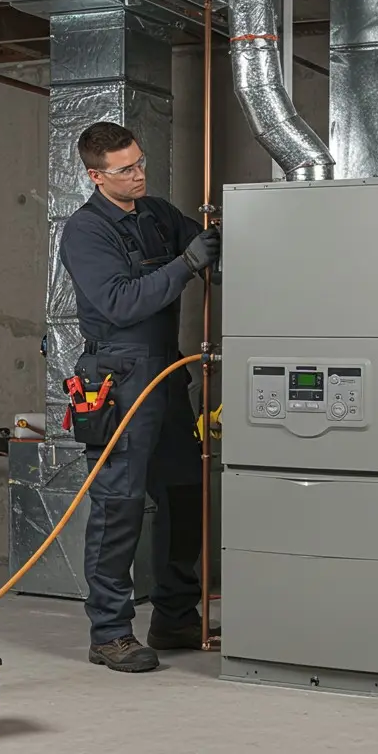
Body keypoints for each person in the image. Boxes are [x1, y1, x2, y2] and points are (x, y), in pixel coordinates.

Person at [58, 121, 221, 673]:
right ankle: (109, 633)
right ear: (96, 176)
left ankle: (175, 616)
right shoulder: (86, 232)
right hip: (119, 378)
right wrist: (189, 263)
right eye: (125, 169)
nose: (138, 175)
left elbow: (205, 245)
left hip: (167, 374)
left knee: (184, 492)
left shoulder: (155, 213)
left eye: (140, 162)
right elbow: (122, 304)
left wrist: (221, 248)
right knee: (119, 505)